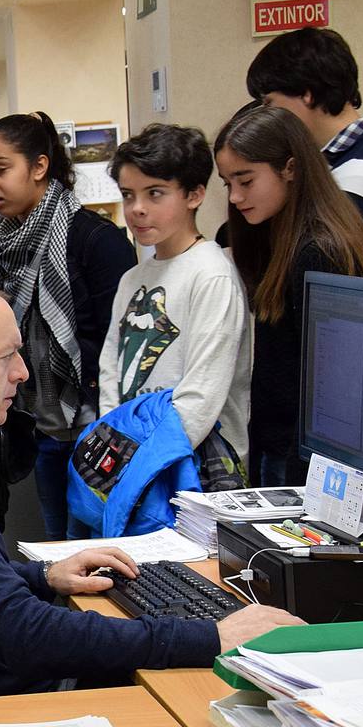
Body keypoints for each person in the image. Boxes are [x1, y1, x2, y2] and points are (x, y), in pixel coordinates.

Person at [0, 279, 303, 702]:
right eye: (6, 356)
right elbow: (26, 635)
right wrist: (210, 637)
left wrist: (42, 576)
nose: (22, 372)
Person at [0, 112, 136, 539]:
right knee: (59, 554)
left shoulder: (95, 239)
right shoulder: (7, 242)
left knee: (96, 553)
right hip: (44, 427)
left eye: (1, 168)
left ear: (39, 166)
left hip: (95, 429)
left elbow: (117, 348)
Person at [215, 105, 363, 486]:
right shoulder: (277, 235)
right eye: (228, 183)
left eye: (246, 180)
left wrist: (297, 473)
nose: (236, 196)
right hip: (275, 442)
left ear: (290, 169)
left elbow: (329, 390)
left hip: (300, 460)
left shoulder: (320, 250)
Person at [100, 124, 251, 471]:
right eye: (127, 194)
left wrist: (143, 461)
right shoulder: (132, 279)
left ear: (194, 195)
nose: (137, 208)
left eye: (155, 193)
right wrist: (115, 445)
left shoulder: (212, 274)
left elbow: (201, 397)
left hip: (197, 467)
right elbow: (111, 372)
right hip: (131, 460)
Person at [246, 27, 363, 234]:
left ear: (306, 94)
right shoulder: (338, 162)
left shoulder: (361, 175)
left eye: (269, 103)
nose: (267, 116)